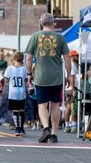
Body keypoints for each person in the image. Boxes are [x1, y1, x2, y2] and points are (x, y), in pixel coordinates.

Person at [25, 13, 67, 144]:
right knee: (55, 104)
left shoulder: (34, 37)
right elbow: (67, 58)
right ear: (53, 23)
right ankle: (54, 134)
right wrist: (70, 76)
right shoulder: (60, 37)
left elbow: (28, 58)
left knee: (42, 104)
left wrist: (29, 74)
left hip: (41, 76)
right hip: (57, 77)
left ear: (41, 24)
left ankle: (46, 128)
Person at [4, 51, 29, 137]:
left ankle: (17, 128)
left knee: (14, 111)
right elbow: (26, 80)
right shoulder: (24, 69)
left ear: (14, 59)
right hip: (22, 92)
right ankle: (21, 128)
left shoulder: (9, 68)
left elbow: (6, 80)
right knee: (21, 110)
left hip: (13, 93)